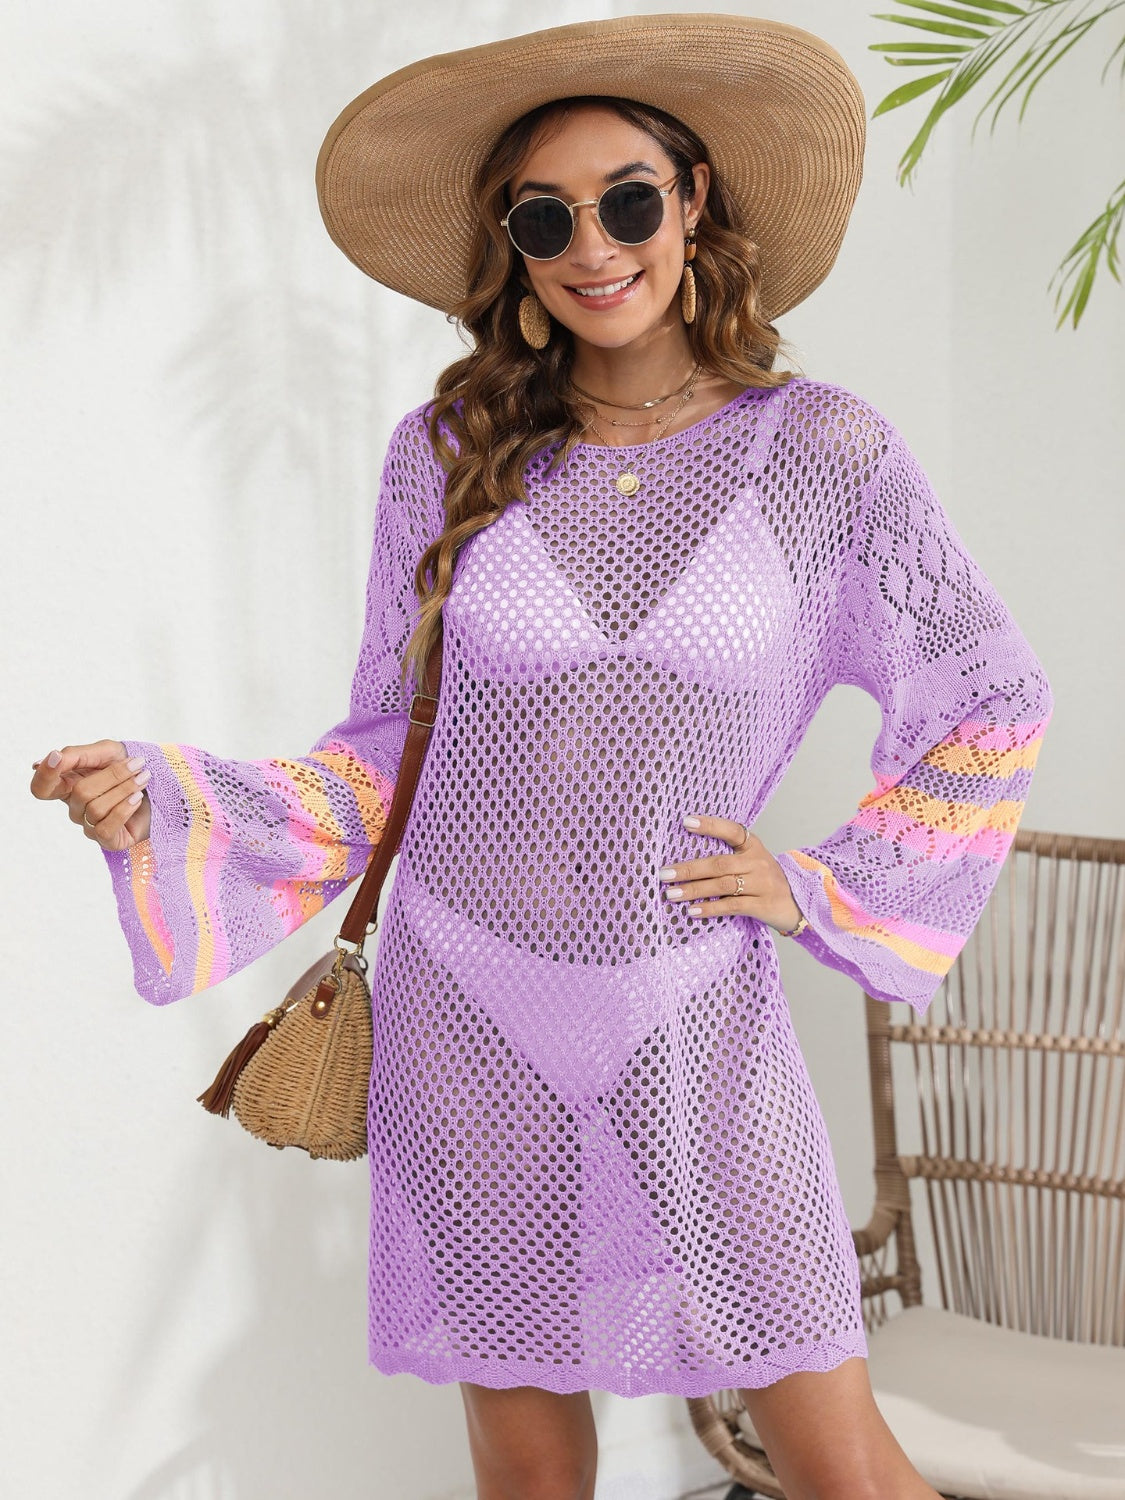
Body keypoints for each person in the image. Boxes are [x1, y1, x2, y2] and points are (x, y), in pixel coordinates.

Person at [30, 15, 1053, 1500]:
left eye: (627, 200)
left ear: (693, 202)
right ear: (510, 245)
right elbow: (385, 750)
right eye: (544, 217)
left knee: (847, 1468)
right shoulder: (447, 450)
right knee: (524, 1472)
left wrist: (822, 885)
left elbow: (988, 694)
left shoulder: (824, 454)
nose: (593, 246)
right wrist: (164, 798)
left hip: (689, 1000)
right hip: (465, 995)